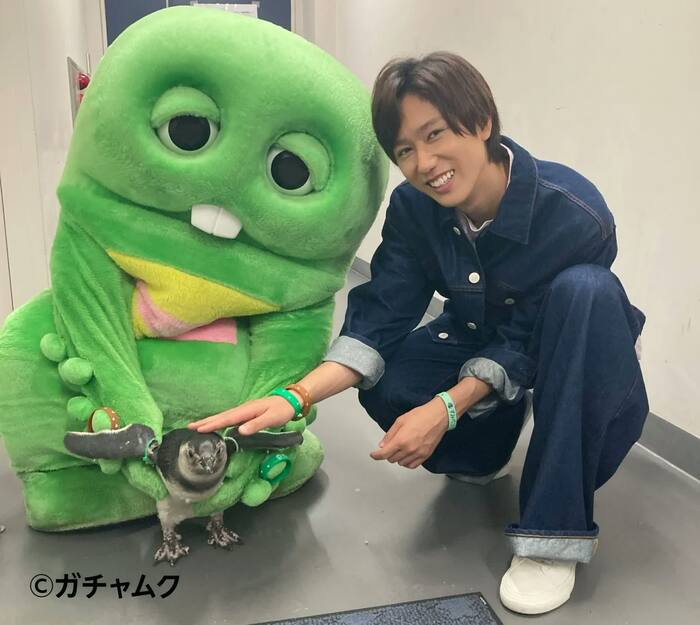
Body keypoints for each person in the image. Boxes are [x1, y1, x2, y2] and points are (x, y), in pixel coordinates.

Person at [189, 52, 648, 615]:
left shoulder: (576, 213)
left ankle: (552, 538)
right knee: (389, 383)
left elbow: (528, 339)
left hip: (574, 350)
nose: (425, 163)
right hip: (477, 337)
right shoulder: (414, 207)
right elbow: (384, 310)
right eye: (405, 150)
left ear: (482, 122)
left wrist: (448, 407)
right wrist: (296, 396)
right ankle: (483, 451)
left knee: (586, 291)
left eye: (435, 135)